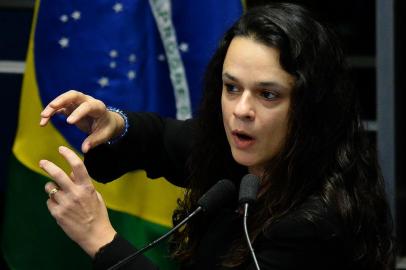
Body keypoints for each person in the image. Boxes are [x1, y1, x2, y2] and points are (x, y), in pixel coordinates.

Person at [39, 3, 395, 270]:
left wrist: (100, 238)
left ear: (311, 105)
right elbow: (165, 137)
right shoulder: (249, 152)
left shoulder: (314, 225)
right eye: (231, 87)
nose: (241, 109)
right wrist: (114, 123)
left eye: (267, 95)